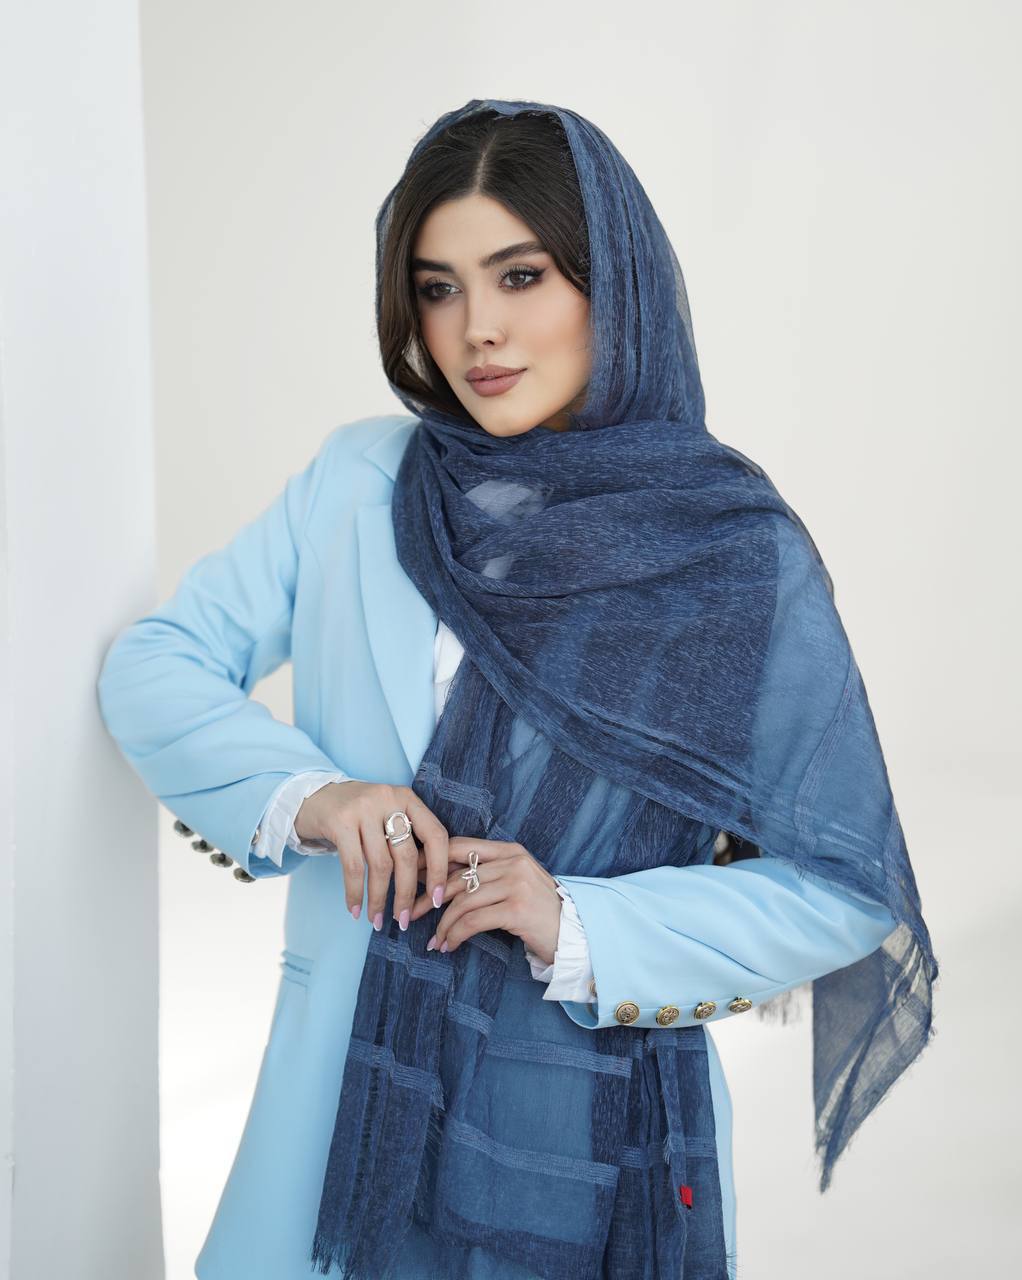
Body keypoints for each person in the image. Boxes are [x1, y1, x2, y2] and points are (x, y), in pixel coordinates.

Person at [97, 99, 937, 1280]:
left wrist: (577, 922)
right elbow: (156, 661)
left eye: (520, 275)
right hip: (340, 1115)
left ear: (614, 285)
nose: (476, 329)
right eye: (436, 288)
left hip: (593, 1148)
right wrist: (318, 797)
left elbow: (840, 887)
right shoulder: (362, 482)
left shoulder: (726, 551)